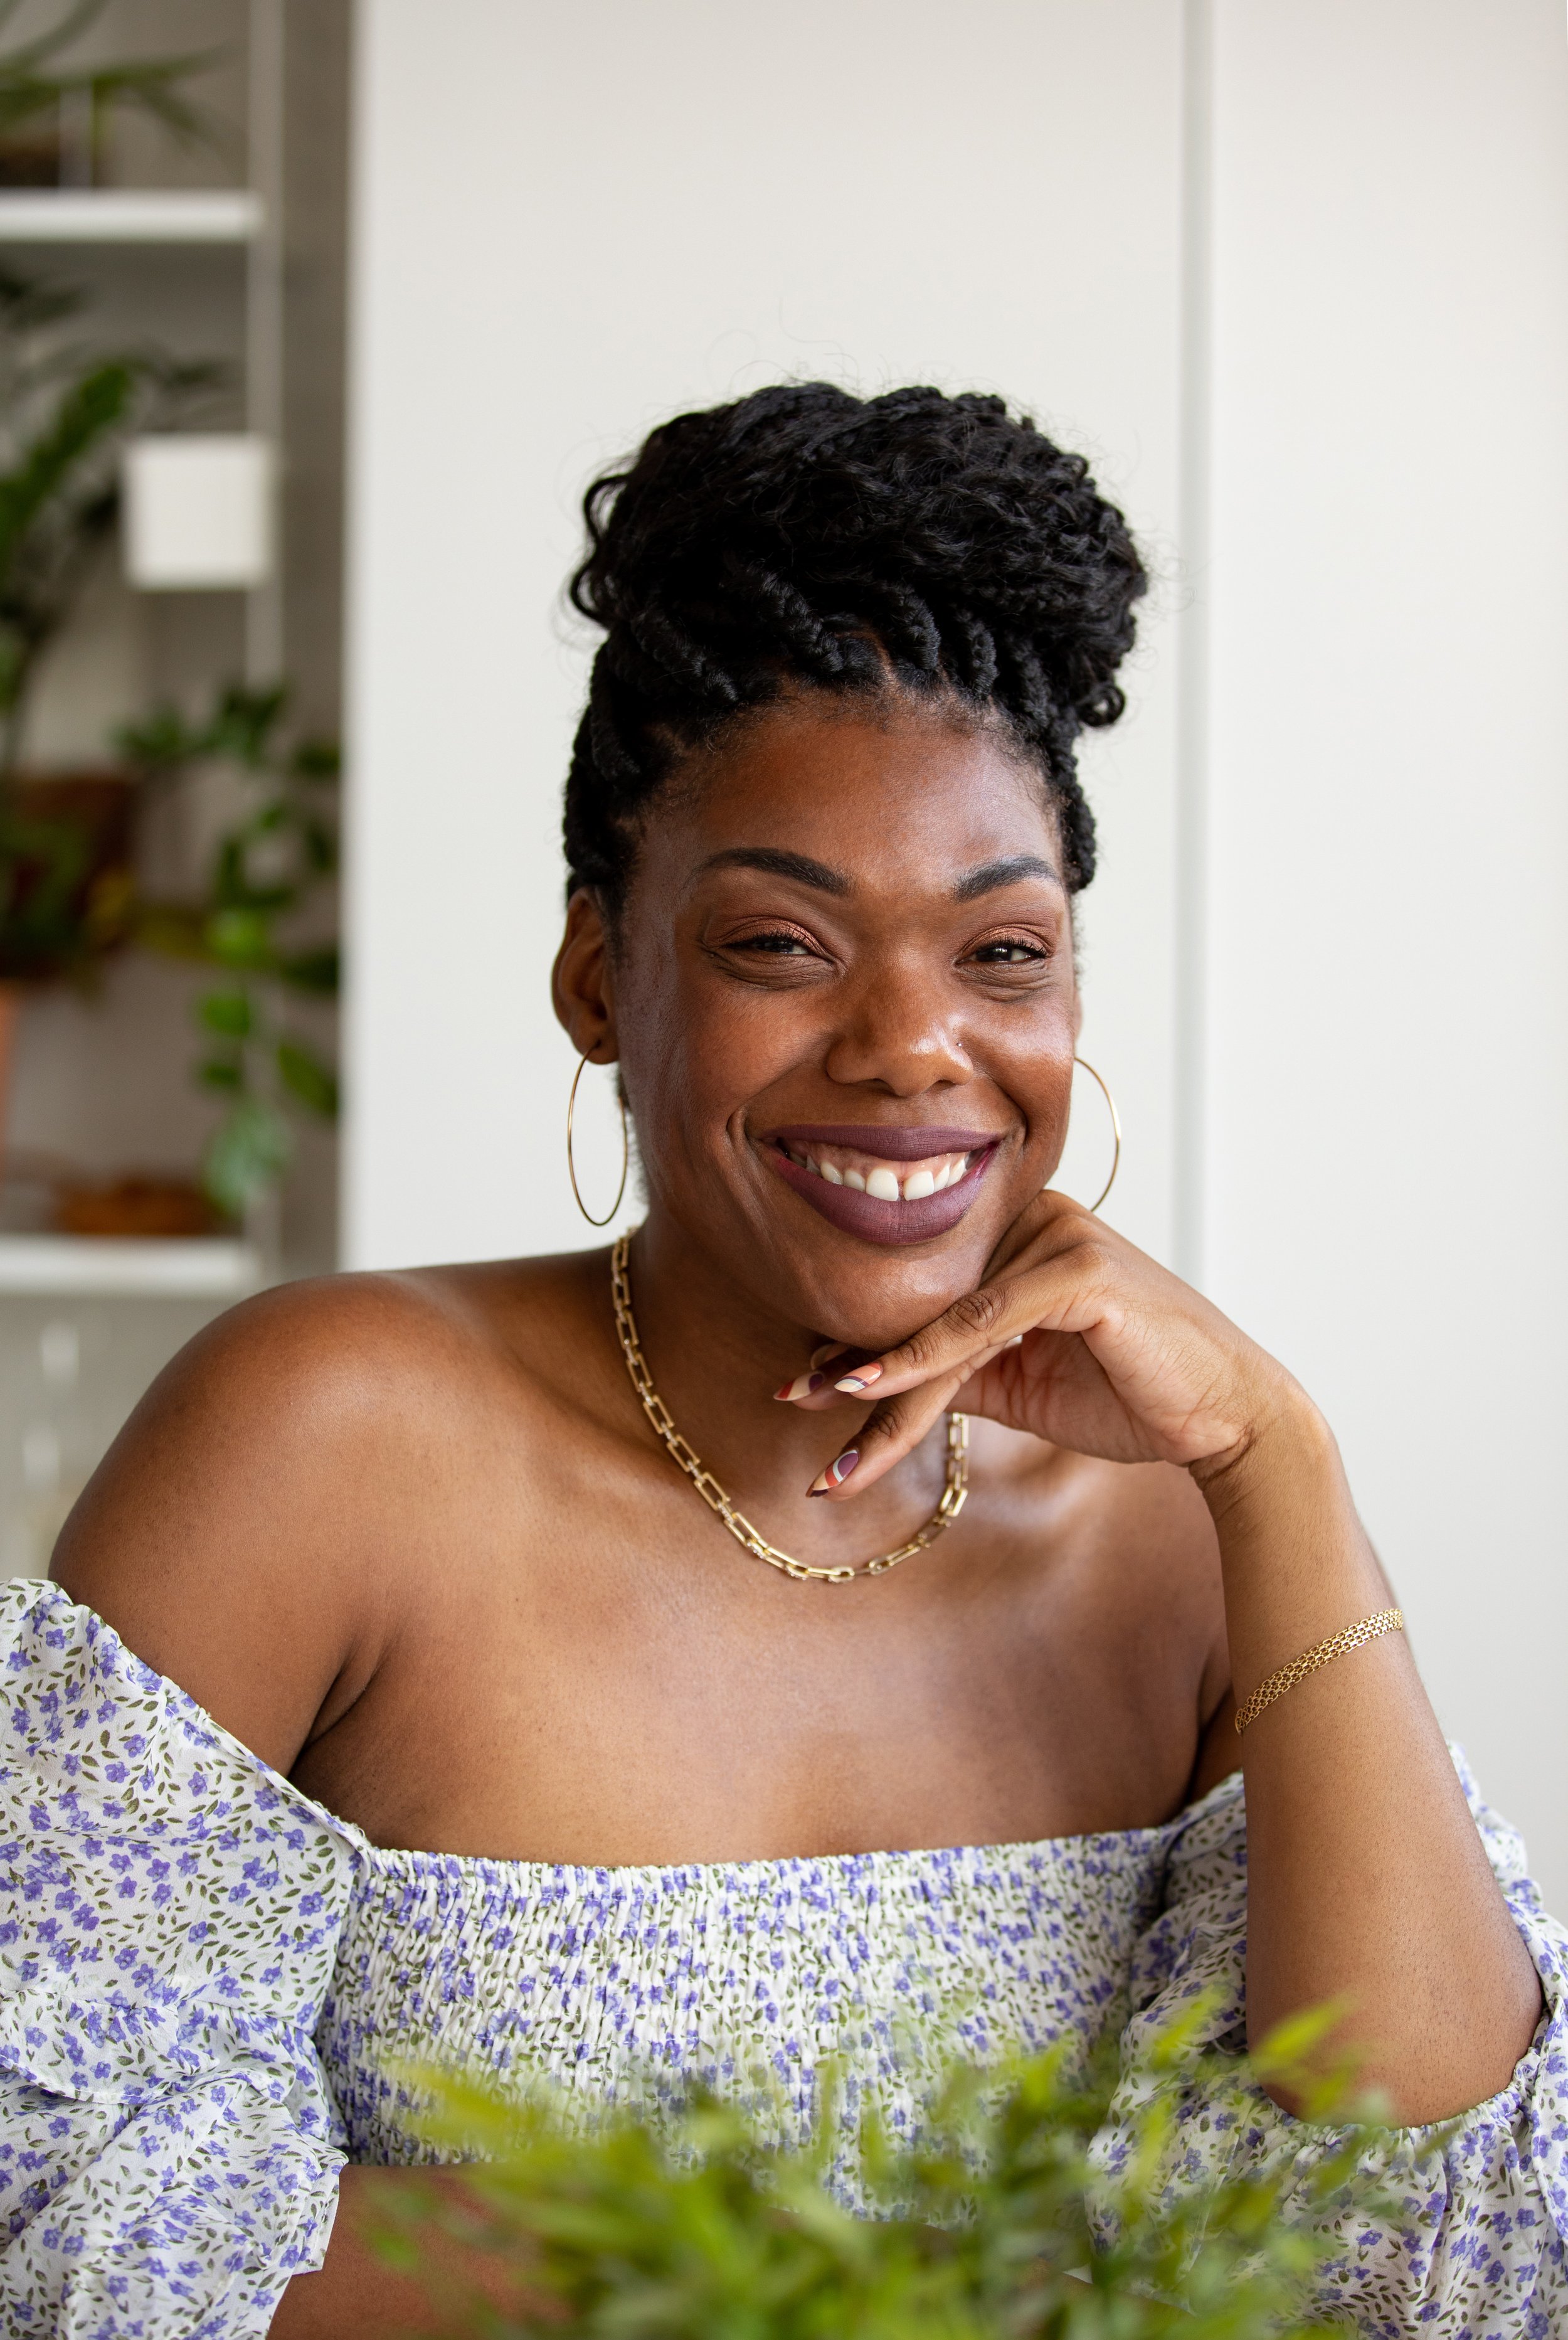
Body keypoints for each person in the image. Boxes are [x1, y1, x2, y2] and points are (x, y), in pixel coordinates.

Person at [2, 385, 1563, 2339]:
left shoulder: (1180, 1524)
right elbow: (54, 2187)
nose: (912, 1044)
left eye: (1001, 952)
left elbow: (1439, 2226)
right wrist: (835, 2281)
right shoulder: (328, 1438)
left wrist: (1278, 1459)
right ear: (599, 974)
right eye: (780, 944)